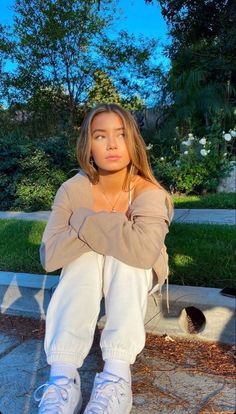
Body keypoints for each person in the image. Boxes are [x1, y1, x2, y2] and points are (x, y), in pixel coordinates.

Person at [33, 103, 173, 414]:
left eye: (121, 135)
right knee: (82, 260)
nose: (111, 144)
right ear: (88, 145)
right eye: (100, 136)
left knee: (123, 257)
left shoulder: (148, 191)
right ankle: (63, 379)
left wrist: (84, 221)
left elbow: (143, 252)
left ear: (132, 142)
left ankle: (116, 377)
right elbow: (50, 255)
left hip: (137, 271)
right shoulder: (72, 189)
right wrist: (115, 227)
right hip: (87, 269)